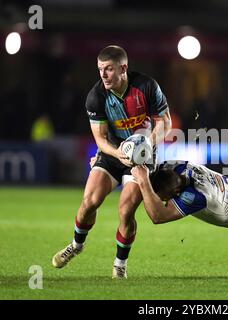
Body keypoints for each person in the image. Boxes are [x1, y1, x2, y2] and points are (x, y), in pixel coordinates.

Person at [52, 45, 172, 278]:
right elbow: (100, 138)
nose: (103, 75)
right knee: (90, 201)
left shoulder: (147, 86)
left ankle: (120, 264)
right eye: (100, 70)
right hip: (113, 153)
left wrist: (146, 146)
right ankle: (77, 245)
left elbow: (165, 123)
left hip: (142, 156)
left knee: (126, 210)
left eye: (108, 69)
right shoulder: (96, 97)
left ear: (123, 68)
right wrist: (118, 154)